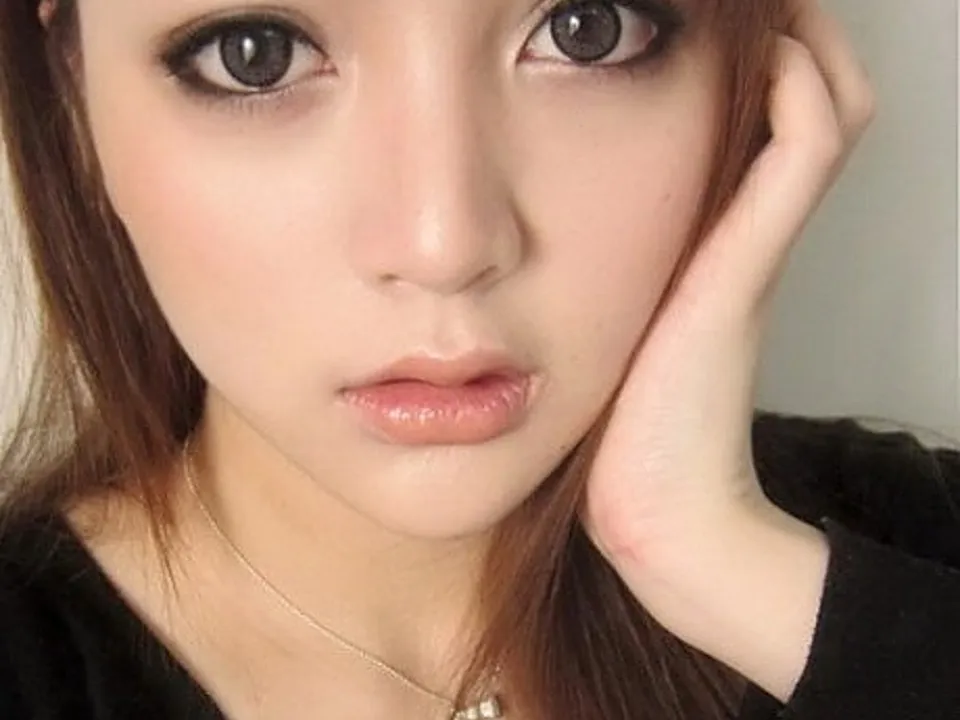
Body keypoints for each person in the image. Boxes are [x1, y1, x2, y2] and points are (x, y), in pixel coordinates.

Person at [0, 0, 957, 718]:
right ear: (75, 86)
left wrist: (727, 566)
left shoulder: (905, 550)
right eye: (257, 55)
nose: (444, 244)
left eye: (587, 30)